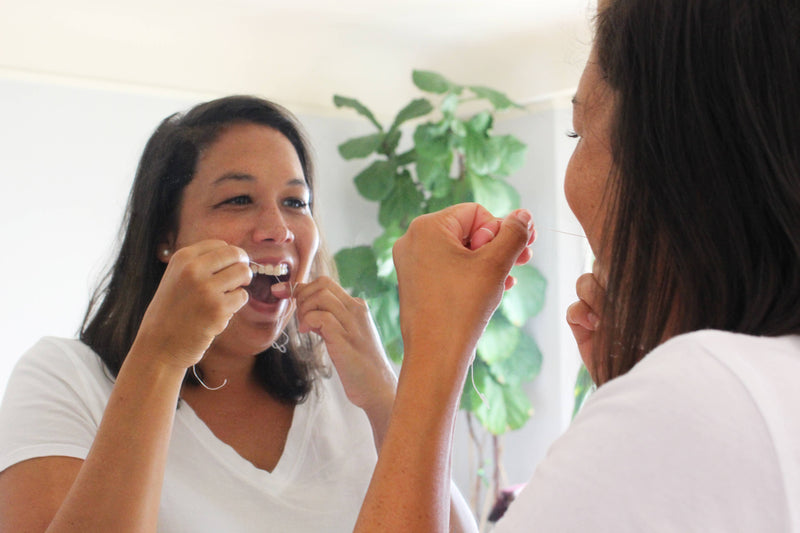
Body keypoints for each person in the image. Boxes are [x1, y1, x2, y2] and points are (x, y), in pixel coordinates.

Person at [352, 0, 800, 531]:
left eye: (578, 133)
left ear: (676, 158)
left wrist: (432, 348)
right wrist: (634, 385)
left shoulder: (699, 396)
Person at [0, 95, 474, 532]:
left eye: (296, 202)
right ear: (166, 236)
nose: (277, 228)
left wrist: (388, 403)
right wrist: (161, 357)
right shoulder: (64, 379)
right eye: (238, 200)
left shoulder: (348, 389)